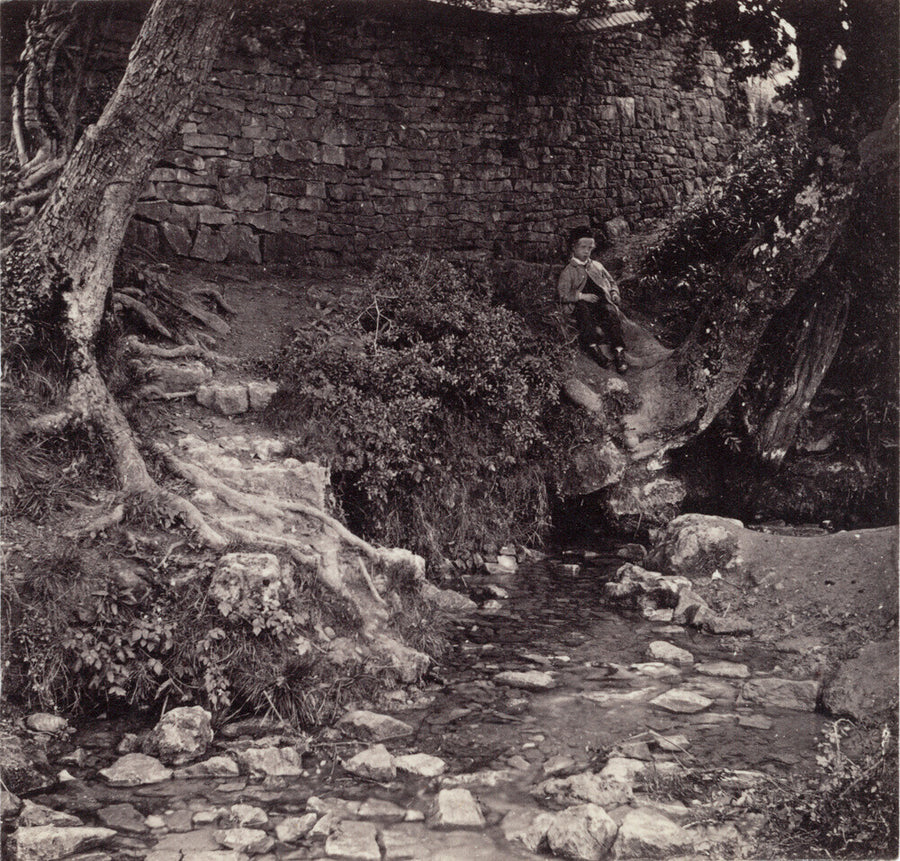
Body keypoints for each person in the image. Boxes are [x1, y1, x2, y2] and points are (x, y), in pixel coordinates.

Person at [557, 228, 629, 373]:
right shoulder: (569, 271)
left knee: (610, 312)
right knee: (583, 313)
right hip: (582, 306)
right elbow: (562, 294)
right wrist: (581, 296)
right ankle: (593, 348)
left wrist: (614, 293)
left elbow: (611, 282)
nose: (586, 251)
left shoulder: (597, 266)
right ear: (574, 247)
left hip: (601, 303)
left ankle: (619, 351)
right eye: (583, 247)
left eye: (589, 248)